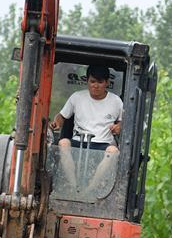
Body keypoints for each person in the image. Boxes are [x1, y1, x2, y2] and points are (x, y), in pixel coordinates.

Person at [49, 64, 122, 192]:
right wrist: (57, 123)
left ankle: (89, 189)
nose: (95, 85)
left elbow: (122, 122)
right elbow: (61, 116)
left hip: (103, 143)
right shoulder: (77, 97)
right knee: (63, 142)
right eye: (92, 81)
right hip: (78, 141)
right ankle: (74, 186)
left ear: (107, 82)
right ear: (87, 81)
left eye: (100, 82)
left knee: (113, 151)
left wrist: (119, 127)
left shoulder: (116, 101)